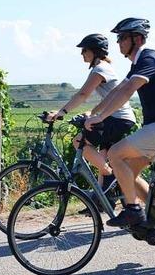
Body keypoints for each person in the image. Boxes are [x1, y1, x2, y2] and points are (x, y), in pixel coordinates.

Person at [85, 17, 155, 227]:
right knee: (127, 174)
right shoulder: (138, 63)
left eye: (122, 37)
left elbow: (129, 91)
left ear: (137, 39)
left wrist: (101, 118)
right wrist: (95, 113)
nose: (118, 42)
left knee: (114, 154)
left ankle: (133, 211)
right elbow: (118, 90)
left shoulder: (149, 59)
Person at [46, 33, 137, 199]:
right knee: (103, 155)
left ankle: (110, 174)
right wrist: (92, 113)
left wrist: (61, 112)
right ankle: (102, 199)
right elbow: (109, 96)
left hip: (118, 118)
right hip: (117, 117)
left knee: (78, 141)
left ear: (95, 51)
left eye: (84, 50)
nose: (82, 54)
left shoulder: (100, 69)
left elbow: (83, 94)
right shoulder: (102, 67)